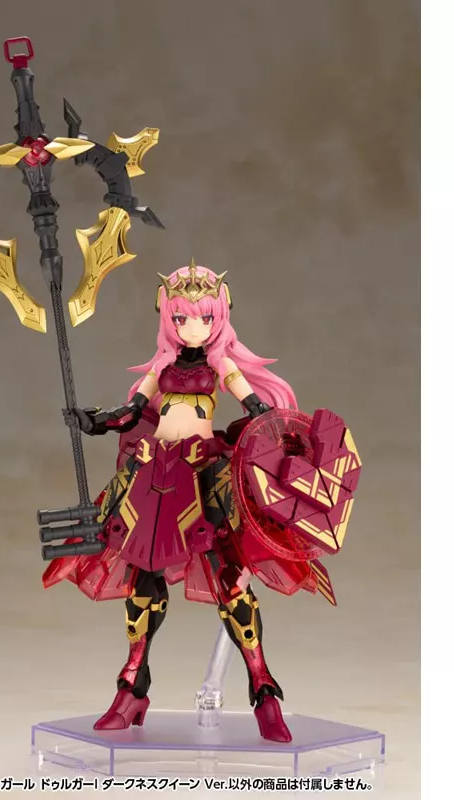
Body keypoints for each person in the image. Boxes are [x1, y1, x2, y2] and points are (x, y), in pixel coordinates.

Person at [44, 262, 304, 743]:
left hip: (202, 473)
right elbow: (131, 413)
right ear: (168, 317)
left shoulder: (220, 364)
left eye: (204, 317)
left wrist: (276, 431)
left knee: (230, 580)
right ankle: (132, 688)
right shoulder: (162, 366)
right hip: (157, 472)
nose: (193, 327)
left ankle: (263, 690)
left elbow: (255, 405)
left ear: (219, 316)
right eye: (181, 318)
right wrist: (92, 421)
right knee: (143, 581)